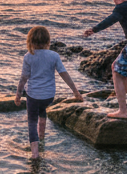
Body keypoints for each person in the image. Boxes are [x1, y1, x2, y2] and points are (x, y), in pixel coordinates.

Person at [14, 26, 83, 159]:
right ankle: (42, 137)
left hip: (33, 94)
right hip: (49, 95)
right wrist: (75, 91)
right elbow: (64, 74)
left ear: (30, 41)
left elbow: (24, 78)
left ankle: (35, 153)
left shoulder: (28, 56)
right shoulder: (54, 55)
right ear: (48, 41)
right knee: (42, 112)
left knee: (32, 121)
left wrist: (18, 94)